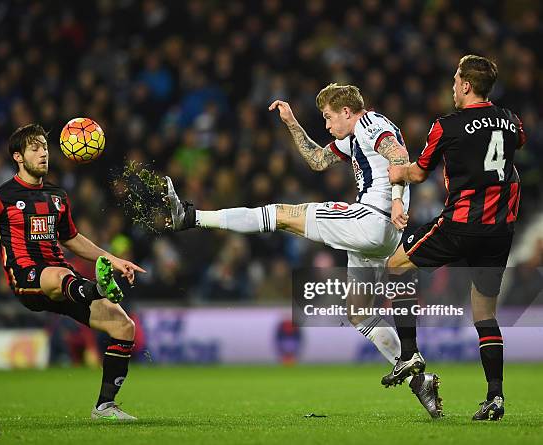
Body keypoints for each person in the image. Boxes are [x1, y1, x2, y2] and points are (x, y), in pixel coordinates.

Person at [164, 84, 442, 418]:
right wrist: (292, 123)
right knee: (358, 312)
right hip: (377, 234)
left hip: (372, 219)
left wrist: (397, 199)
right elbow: (317, 160)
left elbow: (398, 157)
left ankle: (191, 217)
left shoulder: (371, 124)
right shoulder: (354, 136)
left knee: (280, 215)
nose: (326, 125)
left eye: (328, 117)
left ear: (346, 112)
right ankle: (419, 381)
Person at [0, 124, 146, 421]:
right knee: (59, 276)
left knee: (124, 327)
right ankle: (98, 287)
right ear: (18, 156)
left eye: (45, 147)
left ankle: (105, 406)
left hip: (64, 282)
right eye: (35, 148)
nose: (43, 153)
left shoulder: (57, 196)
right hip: (29, 279)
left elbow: (73, 239)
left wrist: (113, 258)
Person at [385, 55, 526, 421]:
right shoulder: (511, 121)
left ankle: (410, 352)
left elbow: (418, 174)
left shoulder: (446, 126)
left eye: (455, 79)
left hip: (460, 226)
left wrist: (395, 170)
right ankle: (495, 397)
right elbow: (518, 142)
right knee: (484, 314)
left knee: (395, 268)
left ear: (465, 84)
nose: (451, 85)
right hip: (499, 231)